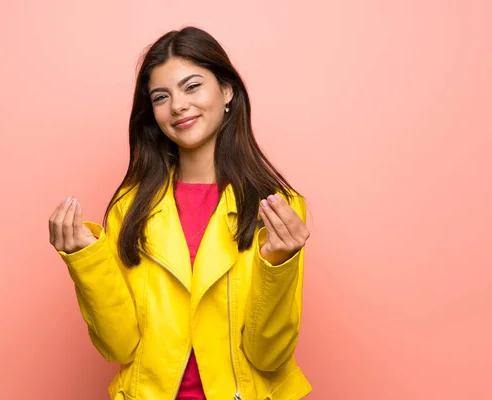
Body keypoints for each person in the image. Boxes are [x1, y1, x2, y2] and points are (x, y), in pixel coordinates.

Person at [48, 26, 312, 400]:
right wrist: (84, 259)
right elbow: (119, 346)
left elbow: (268, 356)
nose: (178, 106)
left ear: (227, 91)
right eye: (161, 96)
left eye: (191, 86)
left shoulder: (276, 207)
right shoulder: (131, 206)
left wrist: (278, 263)